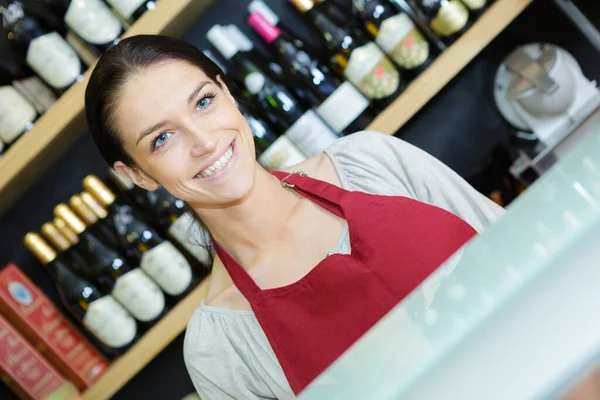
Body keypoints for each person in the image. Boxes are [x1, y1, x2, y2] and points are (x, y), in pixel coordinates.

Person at [85, 35, 504, 399]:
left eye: (203, 102)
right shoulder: (221, 347)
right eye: (162, 138)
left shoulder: (370, 161)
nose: (203, 141)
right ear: (137, 174)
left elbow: (522, 243)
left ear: (227, 94)